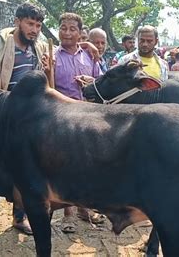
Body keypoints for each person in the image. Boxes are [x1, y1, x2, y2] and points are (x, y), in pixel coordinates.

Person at [0, 2, 50, 243]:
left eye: (38, 25)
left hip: (28, 121)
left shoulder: (37, 49)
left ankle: (19, 218)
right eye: (30, 23)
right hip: (1, 116)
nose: (34, 29)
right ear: (17, 21)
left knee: (24, 172)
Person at [53, 12, 105, 232]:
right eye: (63, 27)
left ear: (80, 32)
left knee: (87, 165)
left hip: (88, 118)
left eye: (72, 29)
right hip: (62, 119)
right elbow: (47, 88)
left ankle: (84, 208)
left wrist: (91, 81)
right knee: (65, 166)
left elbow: (101, 83)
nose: (67, 32)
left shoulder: (89, 56)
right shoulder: (51, 56)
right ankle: (68, 215)